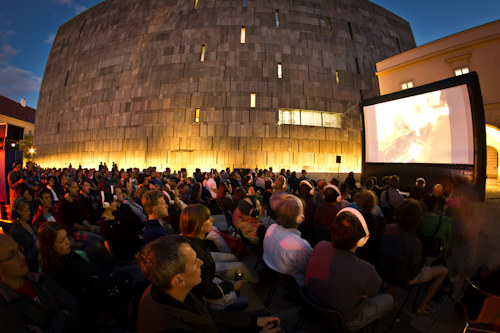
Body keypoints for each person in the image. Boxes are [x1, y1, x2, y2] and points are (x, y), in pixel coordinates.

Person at [136, 235, 281, 333]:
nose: (201, 263)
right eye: (194, 262)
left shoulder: (173, 290)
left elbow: (209, 316)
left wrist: (253, 321)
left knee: (262, 315)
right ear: (179, 280)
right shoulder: (168, 326)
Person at [305, 208, 393, 331]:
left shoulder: (319, 246)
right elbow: (373, 293)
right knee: (388, 300)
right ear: (362, 240)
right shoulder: (366, 270)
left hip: (314, 304)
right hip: (344, 321)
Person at [0, 233, 83, 332]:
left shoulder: (40, 279)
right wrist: (63, 316)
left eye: (19, 249)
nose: (22, 256)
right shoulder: (5, 309)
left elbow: (76, 308)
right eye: (12, 256)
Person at [379, 199, 448, 315]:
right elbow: (414, 272)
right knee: (443, 271)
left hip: (383, 269)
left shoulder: (387, 228)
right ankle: (422, 306)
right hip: (404, 277)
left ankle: (390, 288)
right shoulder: (415, 244)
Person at [179, 204, 252, 311]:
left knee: (231, 257)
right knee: (244, 302)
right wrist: (232, 286)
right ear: (198, 226)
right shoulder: (196, 256)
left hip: (211, 281)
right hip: (212, 298)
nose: (212, 219)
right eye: (208, 219)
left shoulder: (195, 242)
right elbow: (208, 290)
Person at [37, 222, 105, 315]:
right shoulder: (54, 273)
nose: (68, 242)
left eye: (66, 237)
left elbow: (90, 268)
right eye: (61, 241)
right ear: (50, 246)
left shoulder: (68, 254)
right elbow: (80, 297)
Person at [263, 195, 312, 286]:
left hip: (278, 276)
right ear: (300, 218)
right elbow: (309, 270)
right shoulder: (301, 246)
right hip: (296, 286)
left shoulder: (271, 228)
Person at [98, 192, 144, 261]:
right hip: (128, 255)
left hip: (135, 246)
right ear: (106, 205)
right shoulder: (105, 224)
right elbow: (121, 244)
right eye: (113, 201)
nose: (116, 203)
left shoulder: (115, 216)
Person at [9, 198, 39, 272]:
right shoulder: (15, 231)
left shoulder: (32, 225)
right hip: (32, 268)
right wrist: (37, 247)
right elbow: (23, 257)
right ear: (18, 213)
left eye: (28, 209)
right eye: (25, 211)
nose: (29, 212)